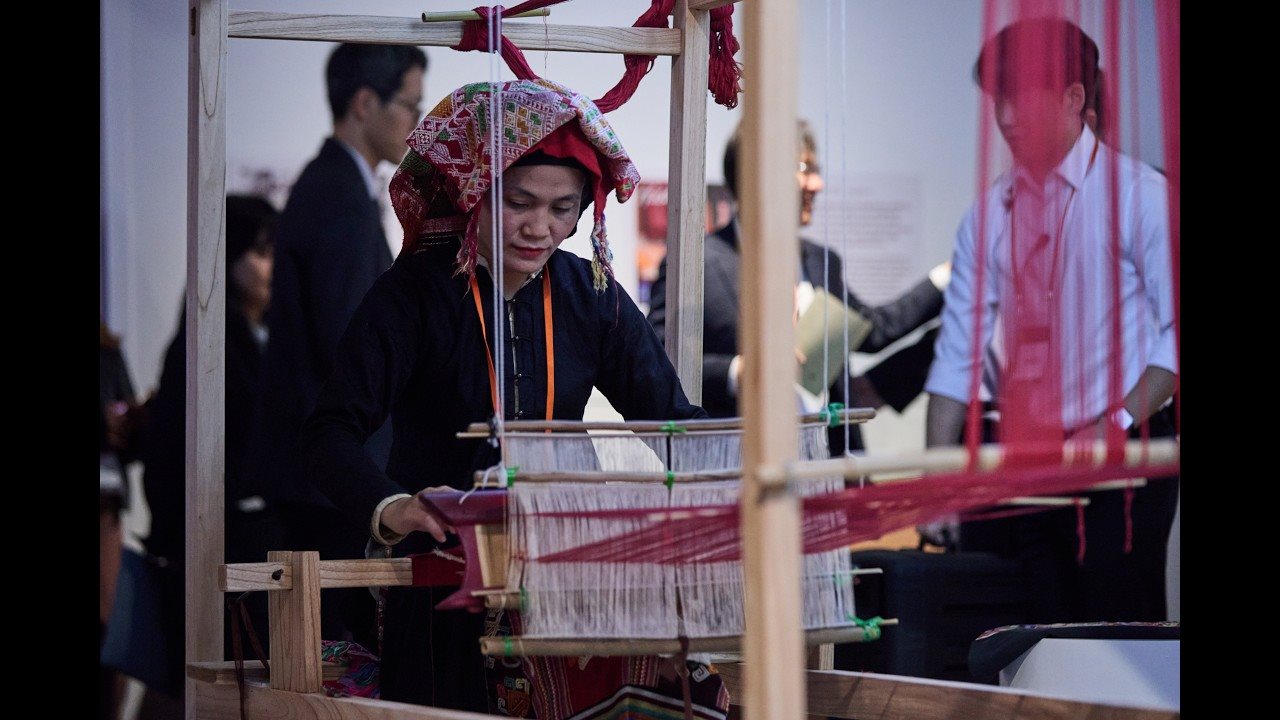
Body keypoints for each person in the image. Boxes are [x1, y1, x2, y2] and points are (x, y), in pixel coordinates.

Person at [301, 78, 723, 716]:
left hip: (566, 576)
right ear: (476, 191)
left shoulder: (592, 293)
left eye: (562, 208)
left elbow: (671, 421)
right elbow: (329, 433)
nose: (540, 227)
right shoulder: (415, 293)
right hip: (443, 578)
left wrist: (736, 479)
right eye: (518, 201)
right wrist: (395, 509)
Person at [923, 17, 1178, 624]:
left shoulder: (1139, 196)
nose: (1007, 117)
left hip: (1125, 475)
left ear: (1073, 98)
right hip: (1032, 472)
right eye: (997, 101)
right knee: (1038, 646)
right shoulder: (988, 216)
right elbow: (955, 359)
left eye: (1021, 97)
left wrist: (1111, 423)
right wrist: (935, 484)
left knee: (1119, 648)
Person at [255, 43, 428, 646]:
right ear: (364, 102)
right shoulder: (337, 198)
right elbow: (352, 345)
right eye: (411, 103)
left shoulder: (334, 188)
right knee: (332, 661)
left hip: (321, 474)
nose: (417, 120)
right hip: (327, 482)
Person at [647, 120, 949, 451]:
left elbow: (872, 331)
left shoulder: (822, 262)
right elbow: (658, 358)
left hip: (828, 462)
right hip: (737, 465)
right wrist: (739, 372)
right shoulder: (695, 262)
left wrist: (952, 274)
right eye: (806, 169)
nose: (817, 184)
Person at [134, 194, 284, 718]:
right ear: (232, 254)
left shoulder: (255, 339)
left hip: (234, 547)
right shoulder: (207, 347)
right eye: (262, 252)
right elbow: (177, 463)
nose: (272, 267)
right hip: (210, 551)